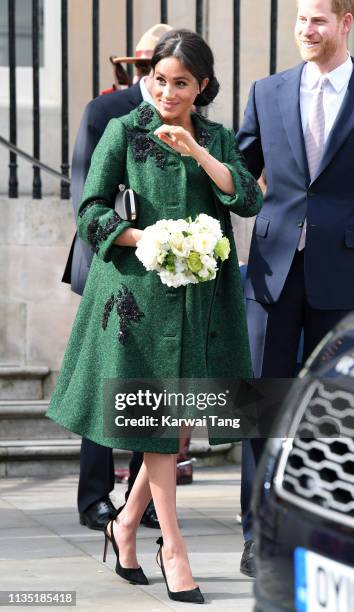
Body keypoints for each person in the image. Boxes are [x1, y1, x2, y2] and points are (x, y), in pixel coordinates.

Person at [47, 28, 262, 603]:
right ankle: (173, 545)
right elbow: (91, 211)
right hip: (138, 298)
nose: (167, 93)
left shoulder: (215, 136)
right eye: (160, 80)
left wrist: (196, 151)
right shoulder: (124, 129)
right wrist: (148, 238)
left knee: (177, 423)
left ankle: (123, 526)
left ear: (202, 86)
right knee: (158, 425)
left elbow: (246, 198)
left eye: (181, 83)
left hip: (204, 302)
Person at [237, 0, 354, 575]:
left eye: (318, 20)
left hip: (344, 274)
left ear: (345, 23)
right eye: (300, 20)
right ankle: (259, 534)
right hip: (271, 271)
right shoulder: (267, 91)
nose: (306, 30)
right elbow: (239, 173)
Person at [62, 23, 172, 533]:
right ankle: (94, 497)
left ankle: (140, 497)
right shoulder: (105, 111)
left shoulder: (186, 117)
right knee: (108, 382)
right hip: (112, 266)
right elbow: (86, 194)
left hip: (167, 275)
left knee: (149, 386)